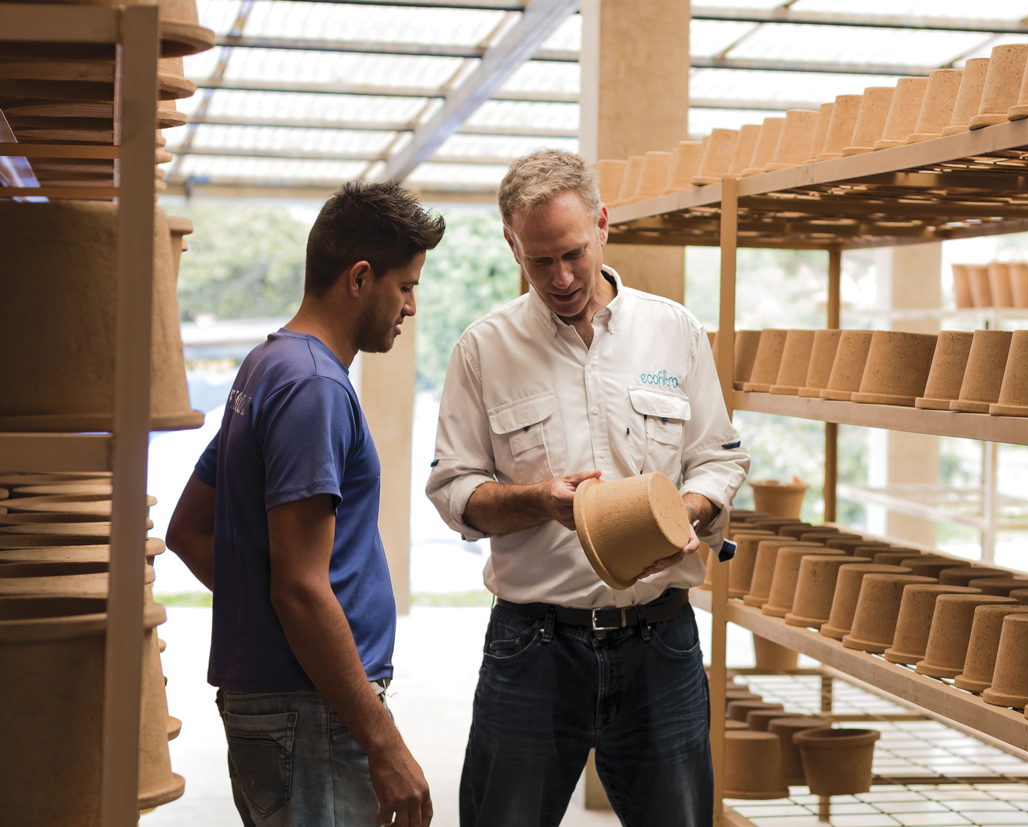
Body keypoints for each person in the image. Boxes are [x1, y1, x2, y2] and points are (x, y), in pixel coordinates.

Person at [426, 148, 749, 827]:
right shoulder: (483, 349)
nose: (562, 276)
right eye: (539, 260)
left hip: (660, 641)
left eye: (573, 252)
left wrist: (681, 514)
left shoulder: (673, 331)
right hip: (533, 647)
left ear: (602, 224)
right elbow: (454, 490)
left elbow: (719, 459)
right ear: (511, 244)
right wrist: (540, 501)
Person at [166, 181, 444, 827]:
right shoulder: (314, 387)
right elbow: (299, 584)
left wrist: (271, 622)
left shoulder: (267, 365)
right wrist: (384, 742)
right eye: (405, 287)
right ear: (360, 278)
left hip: (289, 702)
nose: (410, 306)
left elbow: (189, 530)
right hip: (312, 709)